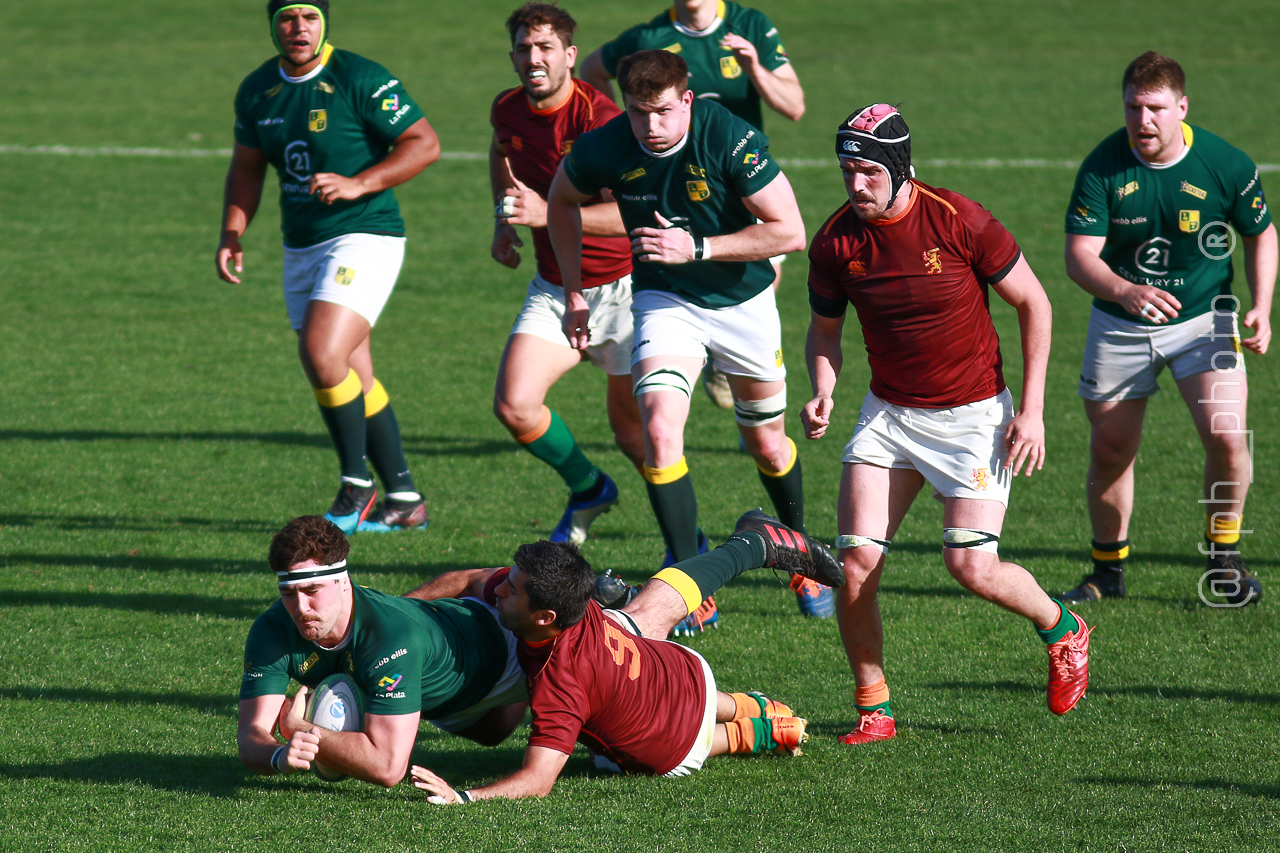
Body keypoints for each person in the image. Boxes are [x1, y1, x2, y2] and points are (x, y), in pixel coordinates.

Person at [801, 104, 1092, 745]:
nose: (855, 186)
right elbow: (825, 333)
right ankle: (873, 707)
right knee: (855, 567)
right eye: (847, 170)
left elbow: (1034, 303)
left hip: (974, 415)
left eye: (869, 172)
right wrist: (823, 387)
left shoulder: (958, 219)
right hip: (889, 416)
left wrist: (1034, 410)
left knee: (971, 566)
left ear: (900, 169)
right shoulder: (834, 242)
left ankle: (1063, 627)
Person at [546, 49, 818, 630]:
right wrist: (573, 292)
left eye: (664, 112)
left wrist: (697, 248)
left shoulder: (728, 136)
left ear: (687, 100)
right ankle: (690, 581)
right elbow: (560, 201)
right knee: (661, 430)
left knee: (767, 445)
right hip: (666, 299)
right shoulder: (607, 146)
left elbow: (790, 232)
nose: (651, 126)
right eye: (640, 113)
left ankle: (799, 553)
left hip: (743, 301)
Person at [407, 510, 843, 803]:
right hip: (681, 666)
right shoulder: (576, 604)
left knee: (638, 752)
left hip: (674, 744)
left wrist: (464, 795)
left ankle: (764, 732)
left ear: (545, 617)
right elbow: (467, 579)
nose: (498, 589)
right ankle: (753, 700)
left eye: (511, 590)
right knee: (638, 619)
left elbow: (538, 781)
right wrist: (393, 620)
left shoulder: (560, 684)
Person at [216, 0, 438, 534]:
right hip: (302, 246)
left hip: (365, 235)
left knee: (320, 352)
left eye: (309, 17)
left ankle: (356, 485)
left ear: (324, 23)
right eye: (287, 18)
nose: (299, 29)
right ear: (272, 25)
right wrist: (231, 231)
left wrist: (360, 183)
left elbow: (424, 144)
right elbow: (247, 168)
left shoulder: (359, 77)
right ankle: (404, 498)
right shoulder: (256, 90)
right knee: (352, 372)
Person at [1062, 52, 1274, 606]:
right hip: (1119, 323)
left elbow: (1261, 232)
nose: (1143, 120)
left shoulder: (1225, 164)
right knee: (1111, 449)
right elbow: (1079, 255)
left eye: (1155, 108)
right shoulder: (1103, 166)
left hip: (1207, 319)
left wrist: (1262, 305)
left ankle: (1224, 561)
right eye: (1133, 107)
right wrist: (1124, 290)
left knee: (1228, 438)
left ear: (1182, 107)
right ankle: (1107, 570)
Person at [579, 0, 806, 414]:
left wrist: (755, 68)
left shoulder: (749, 24)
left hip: (744, 180)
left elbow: (794, 107)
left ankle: (734, 378)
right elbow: (592, 69)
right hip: (673, 181)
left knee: (762, 275)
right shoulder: (647, 38)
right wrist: (624, 136)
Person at [489, 4, 644, 546]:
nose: (535, 58)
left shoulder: (601, 121)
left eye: (546, 48)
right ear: (512, 57)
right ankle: (588, 487)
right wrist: (503, 222)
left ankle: (689, 550)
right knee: (514, 404)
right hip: (556, 287)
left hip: (626, 290)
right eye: (525, 49)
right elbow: (502, 152)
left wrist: (549, 214)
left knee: (635, 437)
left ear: (570, 56)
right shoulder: (508, 110)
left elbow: (633, 217)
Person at [237, 516, 529, 787]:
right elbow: (251, 737)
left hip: (508, 646)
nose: (300, 609)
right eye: (288, 594)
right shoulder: (272, 630)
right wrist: (277, 757)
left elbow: (388, 768)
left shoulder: (390, 638)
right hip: (444, 699)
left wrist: (300, 728)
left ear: (342, 581)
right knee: (492, 732)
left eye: (312, 591)